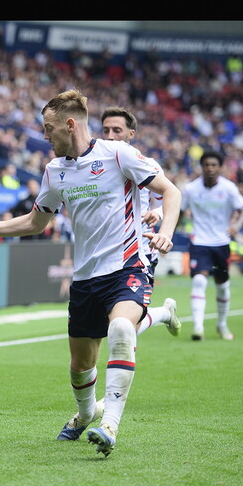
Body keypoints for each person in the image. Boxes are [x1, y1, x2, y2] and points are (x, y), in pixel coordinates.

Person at [0, 89, 181, 458]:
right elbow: (34, 222)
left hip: (127, 266)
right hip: (85, 278)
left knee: (122, 329)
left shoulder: (118, 154)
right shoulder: (54, 171)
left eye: (49, 129)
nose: (45, 136)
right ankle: (88, 413)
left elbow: (170, 191)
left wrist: (166, 231)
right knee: (79, 366)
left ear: (69, 124)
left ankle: (111, 426)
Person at [99, 106, 181, 337]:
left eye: (117, 130)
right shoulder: (94, 165)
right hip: (103, 252)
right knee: (116, 325)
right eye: (105, 130)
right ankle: (164, 314)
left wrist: (159, 215)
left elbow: (168, 196)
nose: (110, 136)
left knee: (124, 326)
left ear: (131, 134)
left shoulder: (146, 164)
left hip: (139, 252)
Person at [180, 150, 243, 341]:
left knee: (223, 287)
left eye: (213, 165)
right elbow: (180, 211)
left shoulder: (229, 188)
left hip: (221, 244)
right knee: (199, 281)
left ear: (220, 168)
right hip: (200, 242)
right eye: (206, 165)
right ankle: (198, 328)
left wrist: (236, 226)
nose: (210, 168)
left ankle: (222, 325)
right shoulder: (191, 189)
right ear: (201, 167)